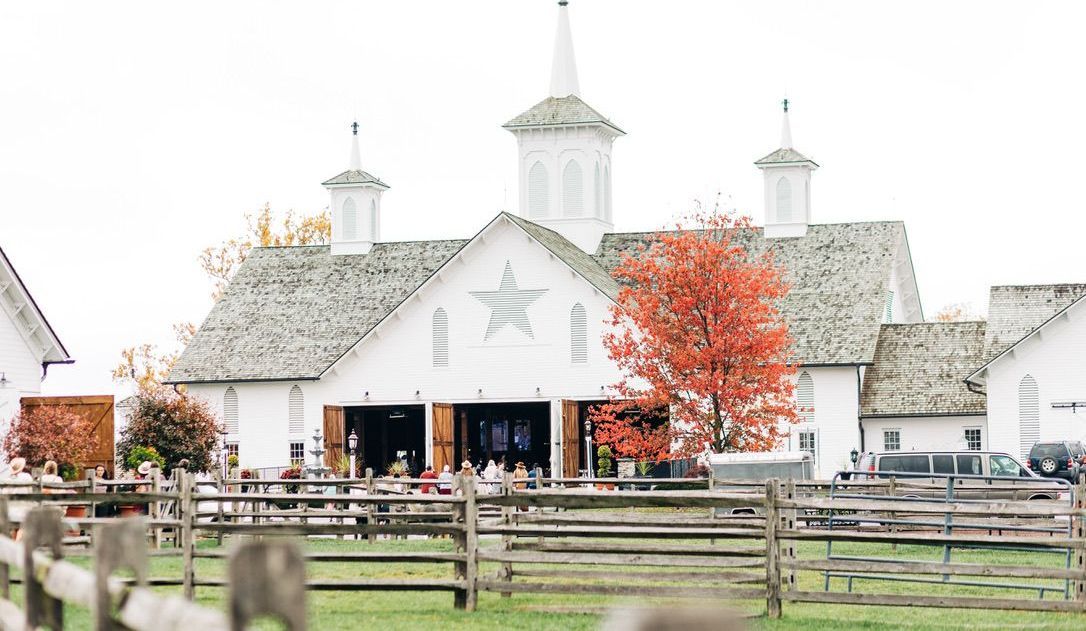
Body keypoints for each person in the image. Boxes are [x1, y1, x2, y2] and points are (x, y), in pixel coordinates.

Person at [4, 458, 33, 540]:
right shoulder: (26, 477)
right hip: (23, 508)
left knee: (14, 529)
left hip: (11, 509)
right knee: (22, 527)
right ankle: (17, 546)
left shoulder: (8, 479)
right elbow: (30, 492)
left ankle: (13, 546)